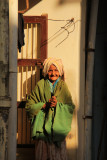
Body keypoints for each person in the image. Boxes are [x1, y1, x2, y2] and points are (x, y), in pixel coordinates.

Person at [25, 57, 75, 160]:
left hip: (57, 133)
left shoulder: (63, 87)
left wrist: (58, 105)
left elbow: (70, 107)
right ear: (46, 71)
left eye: (56, 70)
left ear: (60, 71)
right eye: (50, 70)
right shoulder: (40, 85)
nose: (53, 73)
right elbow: (29, 107)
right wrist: (44, 105)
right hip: (42, 132)